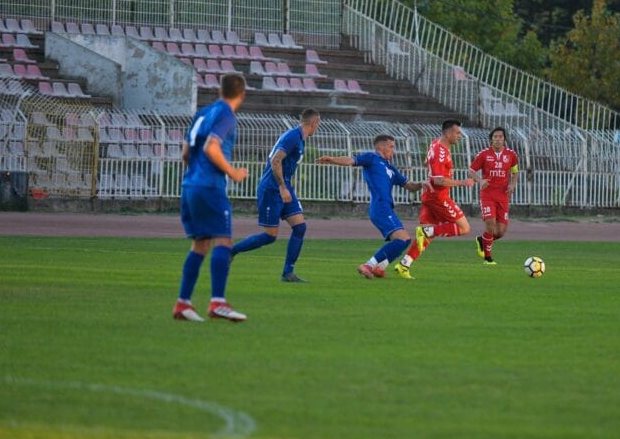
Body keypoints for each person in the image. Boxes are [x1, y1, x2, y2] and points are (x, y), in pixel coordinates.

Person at [173, 73, 249, 322]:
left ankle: (183, 304)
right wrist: (233, 172)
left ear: (220, 90)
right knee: (224, 241)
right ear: (242, 94)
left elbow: (185, 153)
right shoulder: (226, 115)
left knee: (200, 244)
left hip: (190, 185)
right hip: (209, 186)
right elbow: (211, 146)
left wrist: (196, 174)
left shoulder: (203, 113)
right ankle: (218, 302)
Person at [317, 134, 430, 279]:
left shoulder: (390, 168)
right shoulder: (371, 157)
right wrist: (333, 159)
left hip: (386, 207)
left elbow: (410, 186)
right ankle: (369, 265)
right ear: (381, 147)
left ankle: (380, 267)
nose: (393, 150)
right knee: (401, 239)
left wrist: (421, 183)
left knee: (405, 240)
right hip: (380, 206)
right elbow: (351, 160)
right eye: (391, 146)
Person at [231, 108, 321, 282]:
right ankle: (232, 250)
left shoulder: (300, 138)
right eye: (318, 124)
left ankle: (288, 273)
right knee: (270, 236)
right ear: (314, 123)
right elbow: (276, 160)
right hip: (272, 189)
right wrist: (282, 187)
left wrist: (286, 186)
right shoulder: (292, 137)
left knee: (300, 227)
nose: (318, 127)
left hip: (284, 186)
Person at [394, 119, 480, 279]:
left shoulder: (435, 143)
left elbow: (427, 162)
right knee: (464, 228)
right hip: (438, 197)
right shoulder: (440, 152)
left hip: (430, 195)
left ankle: (404, 264)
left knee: (427, 237)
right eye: (457, 133)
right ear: (448, 134)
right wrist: (463, 182)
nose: (460, 136)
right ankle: (425, 231)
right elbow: (438, 181)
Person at [469, 127, 520, 265]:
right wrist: (480, 180)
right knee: (490, 223)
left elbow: (515, 172)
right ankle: (488, 258)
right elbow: (471, 171)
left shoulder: (511, 155)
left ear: (504, 139)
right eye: (495, 137)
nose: (498, 139)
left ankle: (482, 240)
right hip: (488, 195)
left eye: (500, 137)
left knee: (500, 232)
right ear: (491, 139)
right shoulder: (484, 154)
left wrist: (512, 185)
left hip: (503, 196)